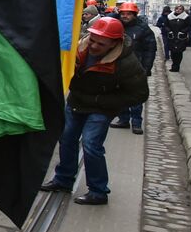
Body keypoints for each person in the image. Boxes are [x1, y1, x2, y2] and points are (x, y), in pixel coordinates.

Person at [40, 16, 149, 205]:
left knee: (91, 145)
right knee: (66, 139)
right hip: (76, 102)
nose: (94, 46)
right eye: (93, 40)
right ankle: (63, 180)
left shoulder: (126, 63)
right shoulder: (78, 48)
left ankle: (98, 191)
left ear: (114, 43)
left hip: (100, 108)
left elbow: (139, 94)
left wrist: (105, 101)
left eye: (101, 43)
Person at [110, 2, 156, 134]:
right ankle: (123, 119)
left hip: (136, 69)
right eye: (123, 13)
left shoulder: (143, 29)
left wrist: (147, 68)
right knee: (119, 96)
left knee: (135, 97)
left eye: (128, 14)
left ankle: (136, 123)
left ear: (134, 15)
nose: (125, 16)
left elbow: (150, 49)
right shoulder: (115, 26)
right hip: (117, 67)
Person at [165, 5, 191, 72]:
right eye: (177, 9)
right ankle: (174, 65)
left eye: (180, 9)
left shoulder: (186, 17)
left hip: (181, 37)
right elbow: (166, 26)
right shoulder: (170, 17)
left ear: (182, 10)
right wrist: (169, 31)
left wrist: (183, 31)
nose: (178, 10)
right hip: (172, 37)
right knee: (173, 52)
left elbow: (189, 26)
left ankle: (176, 66)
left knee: (179, 52)